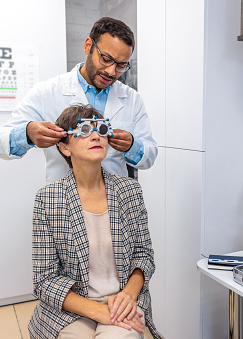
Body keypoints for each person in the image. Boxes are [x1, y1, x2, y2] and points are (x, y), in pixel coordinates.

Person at [29, 104, 161, 339]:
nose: (95, 135)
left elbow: (144, 255)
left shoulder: (129, 191)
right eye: (84, 129)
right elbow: (45, 279)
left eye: (101, 129)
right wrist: (99, 312)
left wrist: (128, 296)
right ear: (64, 147)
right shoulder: (48, 199)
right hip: (72, 308)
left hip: (121, 301)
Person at [0, 17, 157, 183]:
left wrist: (132, 145)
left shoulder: (132, 99)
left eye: (121, 65)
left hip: (115, 201)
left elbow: (150, 156)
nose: (111, 71)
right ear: (88, 46)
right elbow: (0, 144)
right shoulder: (46, 92)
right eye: (106, 59)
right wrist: (28, 133)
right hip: (64, 201)